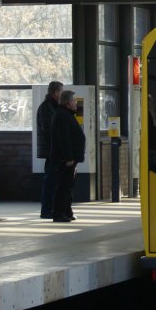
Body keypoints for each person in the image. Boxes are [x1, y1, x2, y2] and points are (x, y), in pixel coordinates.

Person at [50, 89, 86, 222]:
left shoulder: (66, 114)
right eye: (73, 101)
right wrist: (69, 157)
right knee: (63, 186)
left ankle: (67, 211)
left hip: (70, 158)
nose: (75, 103)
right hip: (65, 159)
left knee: (68, 186)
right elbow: (63, 139)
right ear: (67, 102)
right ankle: (58, 213)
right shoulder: (62, 116)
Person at [36, 81, 63, 218]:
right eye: (61, 91)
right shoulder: (47, 108)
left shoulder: (53, 107)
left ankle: (52, 208)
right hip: (52, 150)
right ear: (56, 92)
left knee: (53, 179)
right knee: (51, 180)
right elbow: (48, 130)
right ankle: (47, 210)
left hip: (53, 149)